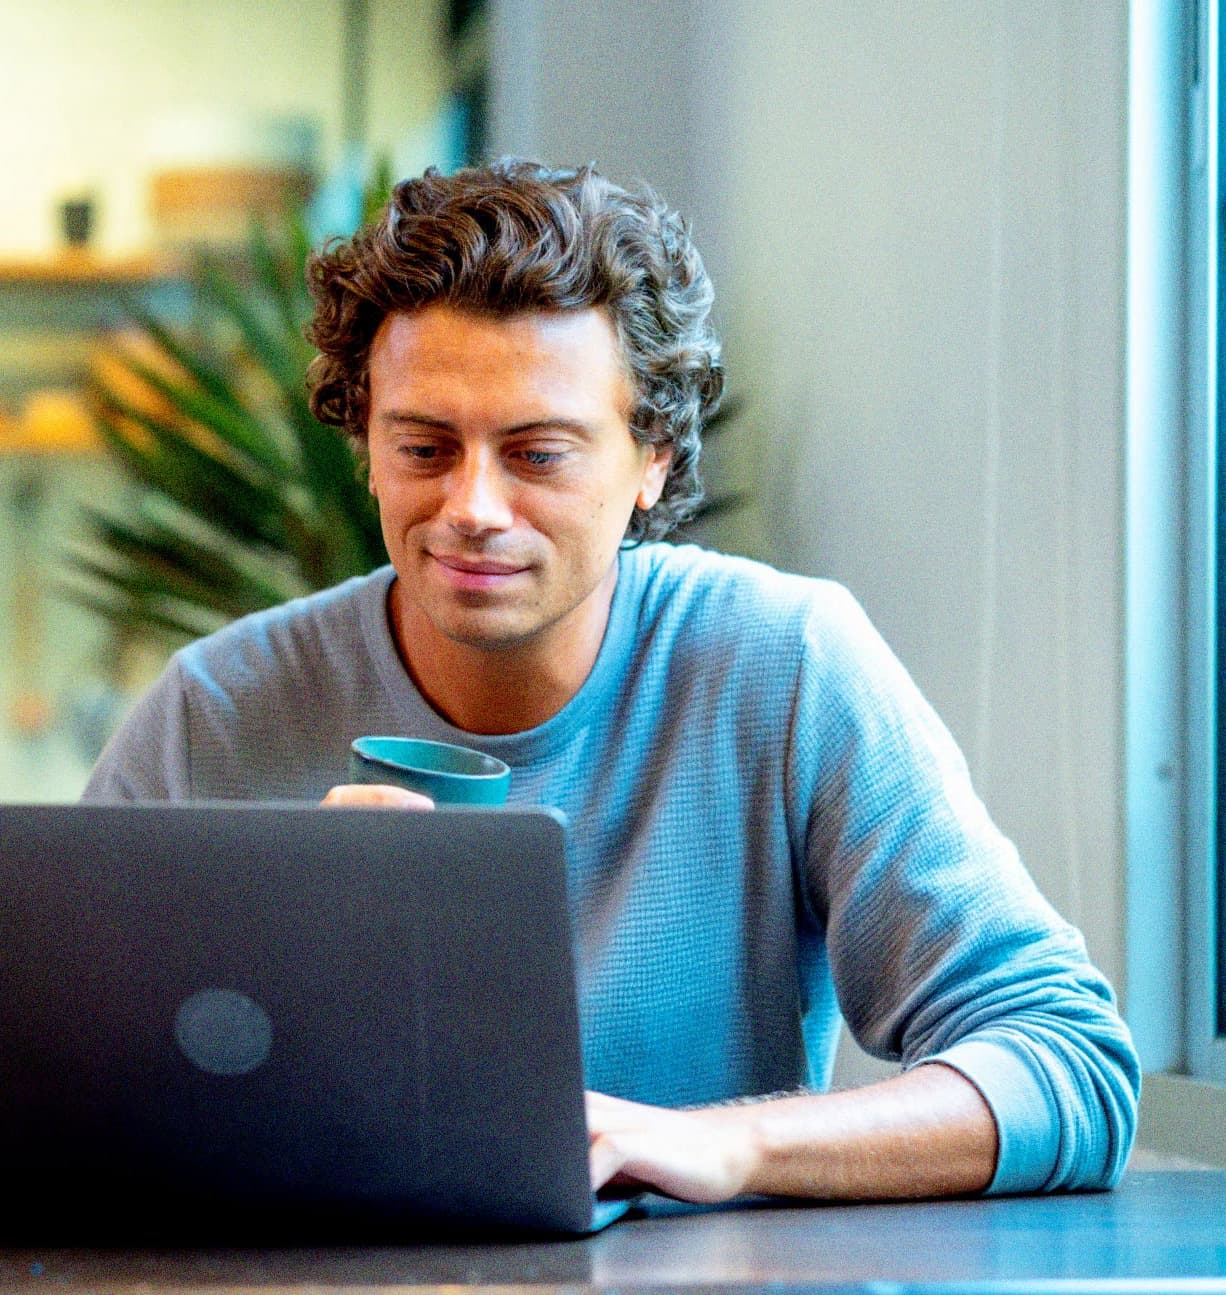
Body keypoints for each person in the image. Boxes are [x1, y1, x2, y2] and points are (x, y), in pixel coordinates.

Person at [82, 159, 1138, 1204]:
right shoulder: (214, 708)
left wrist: (727, 1146)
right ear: (362, 442)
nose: (472, 507)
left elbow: (1067, 1060)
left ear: (653, 462)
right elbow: (66, 1095)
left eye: (537, 454)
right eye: (422, 446)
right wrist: (278, 954)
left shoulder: (781, 663)